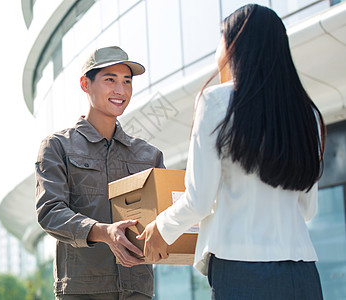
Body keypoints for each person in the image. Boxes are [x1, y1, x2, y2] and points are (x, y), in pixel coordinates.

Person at [137, 4, 326, 299]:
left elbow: (199, 200)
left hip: (241, 271)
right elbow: (308, 208)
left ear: (234, 47)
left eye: (220, 40)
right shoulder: (307, 113)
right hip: (301, 272)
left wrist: (160, 228)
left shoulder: (217, 101)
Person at [35, 46, 165, 300]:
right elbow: (49, 212)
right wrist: (103, 232)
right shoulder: (57, 146)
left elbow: (165, 218)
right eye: (110, 80)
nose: (121, 90)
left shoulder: (149, 155)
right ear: (86, 84)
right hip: (83, 290)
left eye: (127, 82)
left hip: (137, 289)